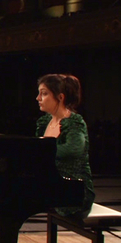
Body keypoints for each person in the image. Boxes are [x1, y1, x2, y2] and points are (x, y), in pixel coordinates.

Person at [35, 73, 95, 218]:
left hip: (75, 190)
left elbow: (73, 150)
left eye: (44, 94)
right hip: (54, 184)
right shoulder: (45, 122)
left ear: (60, 97)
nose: (38, 98)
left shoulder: (74, 122)